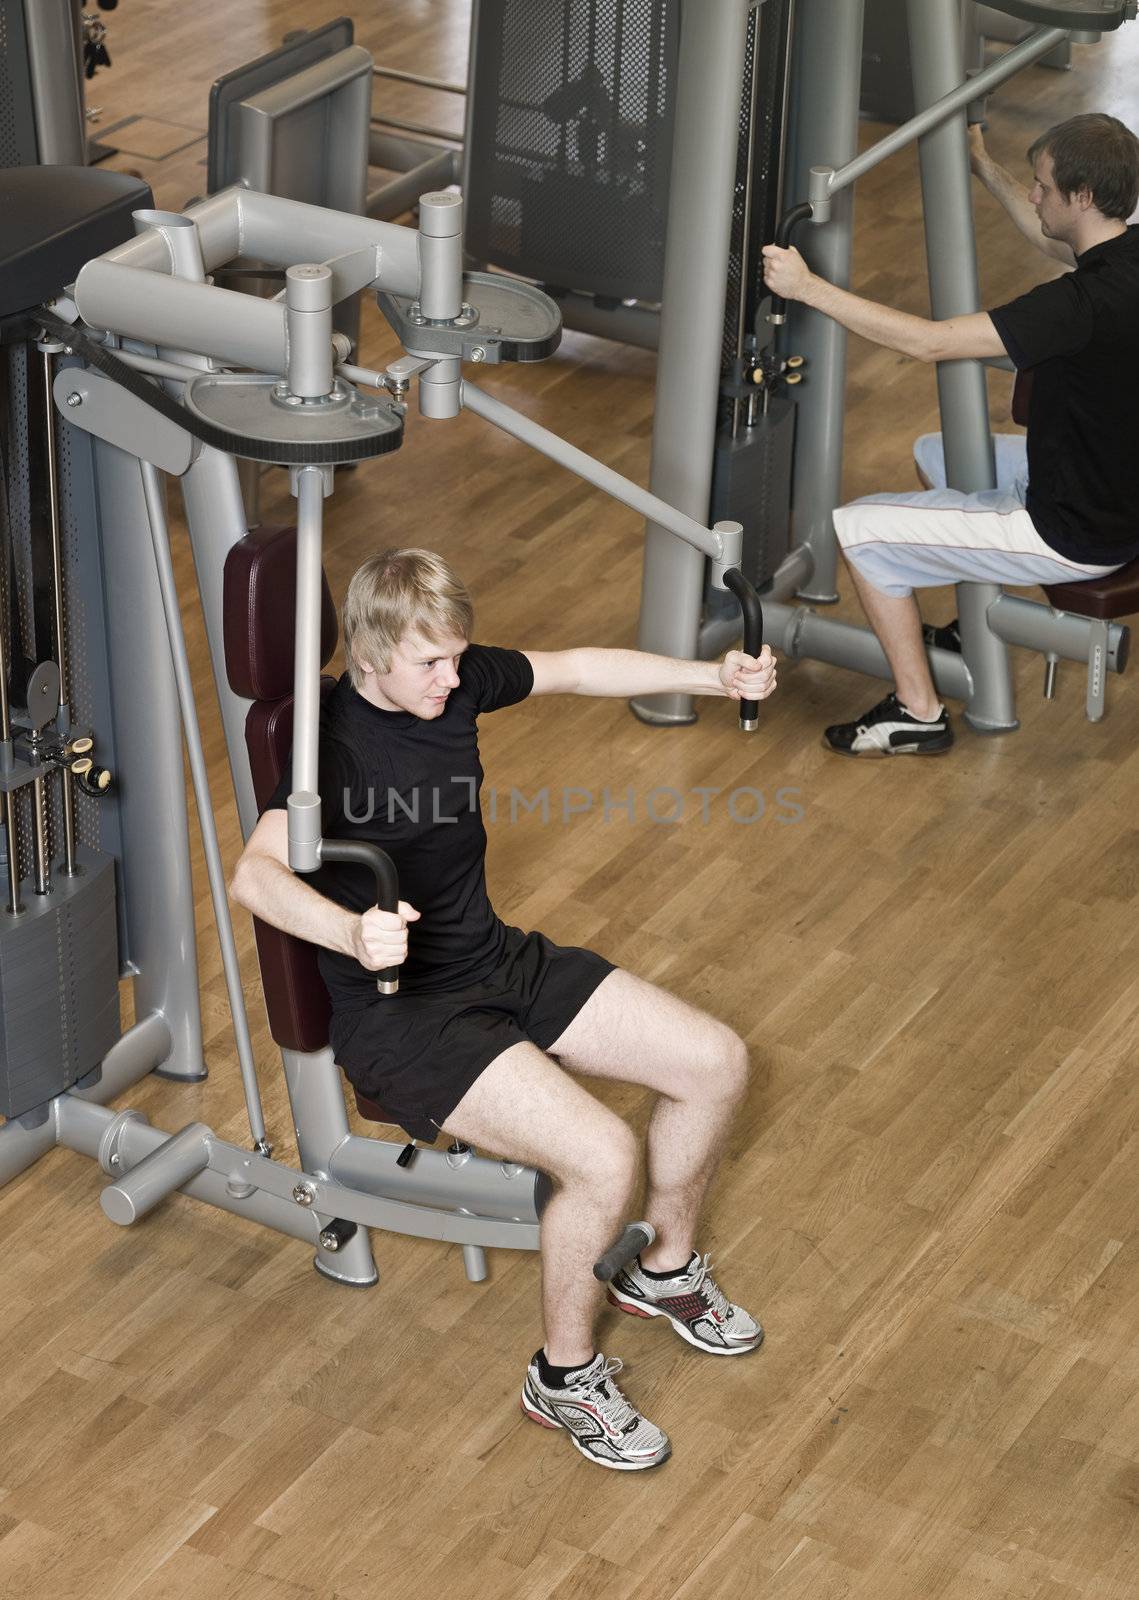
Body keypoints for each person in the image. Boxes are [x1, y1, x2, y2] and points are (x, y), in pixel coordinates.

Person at [230, 547, 777, 1472]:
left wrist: (710, 675)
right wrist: (347, 932)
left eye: (457, 657)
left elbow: (572, 668)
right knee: (603, 1156)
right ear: (368, 656)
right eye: (429, 663)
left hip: (493, 961)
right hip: (404, 1014)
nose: (453, 678)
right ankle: (562, 1378)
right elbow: (254, 872)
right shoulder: (332, 739)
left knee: (716, 1062)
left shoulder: (449, 680)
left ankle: (666, 1270)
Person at [762, 111, 1139, 757]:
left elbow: (929, 342)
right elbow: (1050, 238)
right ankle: (973, 625)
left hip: (1077, 527)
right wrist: (981, 165)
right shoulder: (1122, 256)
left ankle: (918, 712)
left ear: (1080, 195)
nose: (1032, 194)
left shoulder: (1077, 306)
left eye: (1041, 185)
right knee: (933, 450)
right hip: (1108, 480)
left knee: (859, 529)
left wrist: (808, 288)